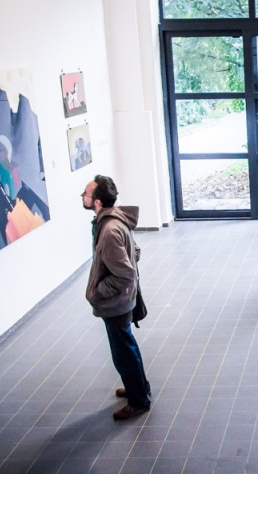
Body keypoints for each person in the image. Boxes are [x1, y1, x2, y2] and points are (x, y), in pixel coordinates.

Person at [81, 175, 151, 420]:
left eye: (86, 193)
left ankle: (138, 401)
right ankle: (139, 387)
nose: (82, 196)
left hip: (116, 303)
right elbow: (135, 251)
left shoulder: (109, 229)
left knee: (123, 355)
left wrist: (98, 291)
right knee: (127, 348)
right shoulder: (114, 221)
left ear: (97, 202)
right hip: (122, 299)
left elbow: (125, 274)